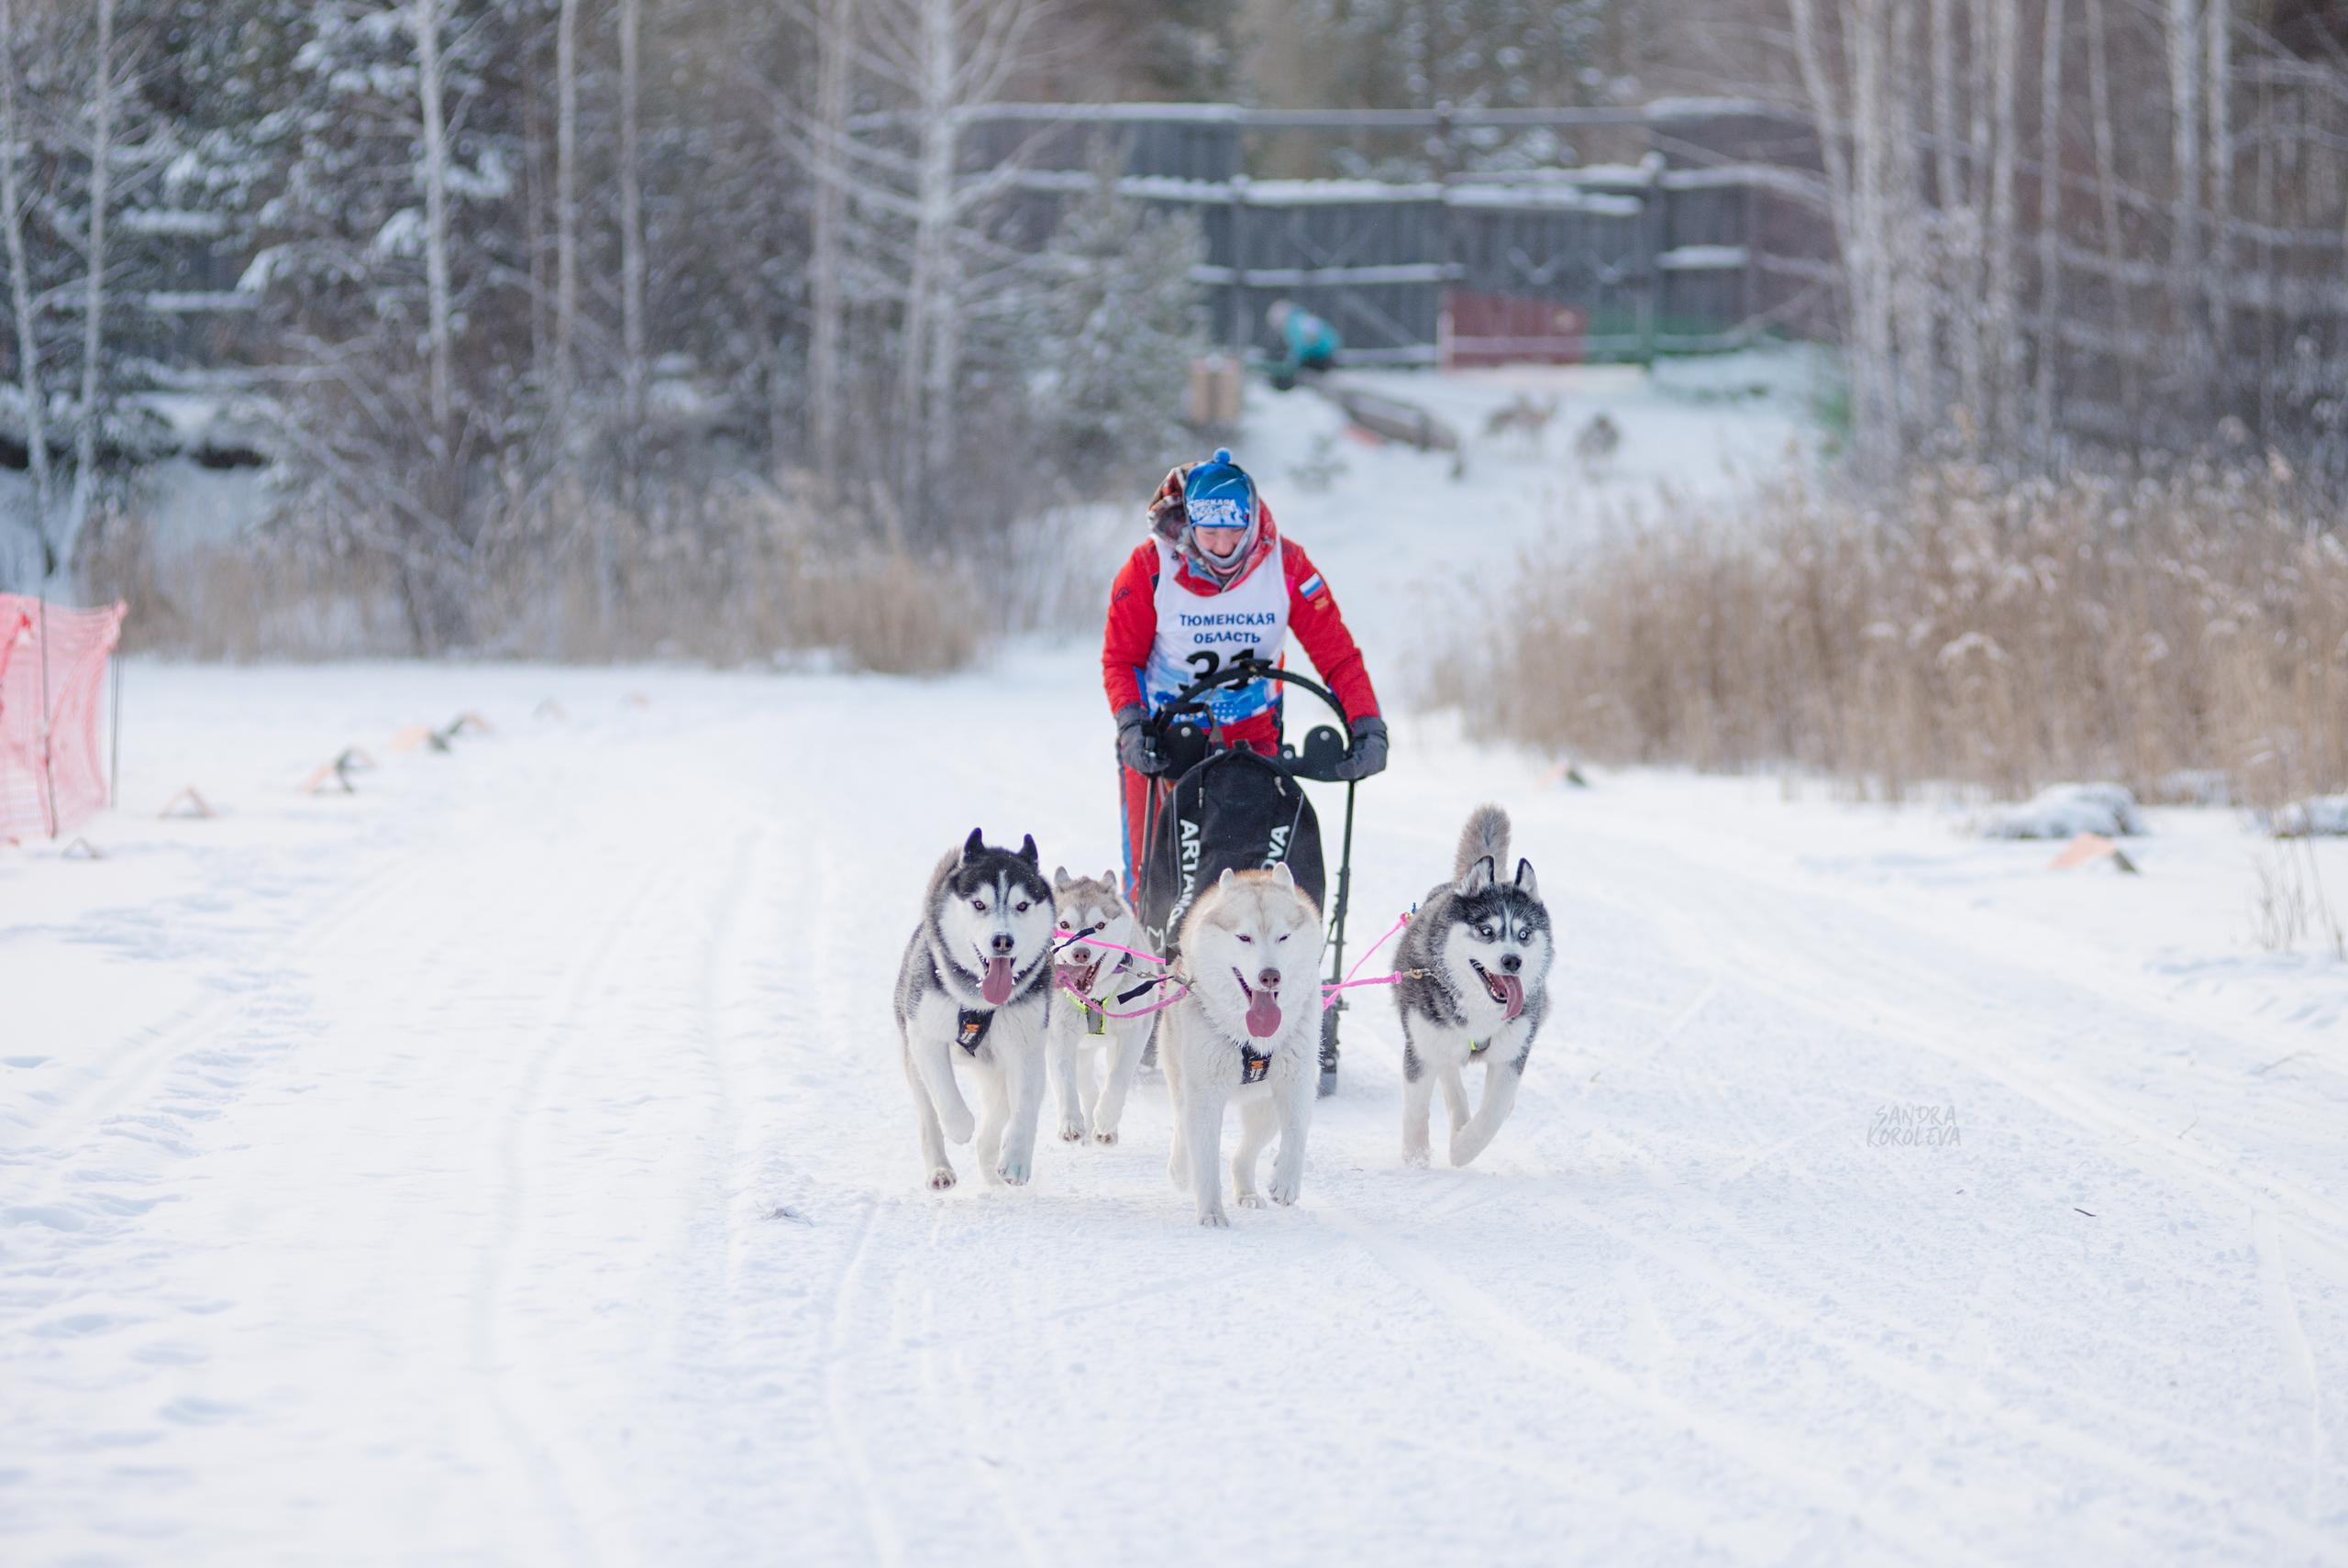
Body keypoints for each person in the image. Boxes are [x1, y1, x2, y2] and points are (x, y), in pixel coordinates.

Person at [1101, 448, 1387, 905]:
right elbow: (1121, 660)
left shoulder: (1287, 566)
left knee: (1251, 882)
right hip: (1165, 738)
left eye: (1234, 532)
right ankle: (1152, 968)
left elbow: (1338, 656)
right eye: (1209, 533)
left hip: (1252, 737)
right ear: (1188, 525)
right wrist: (1132, 726)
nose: (1221, 546)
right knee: (1153, 882)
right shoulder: (1149, 567)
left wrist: (1367, 724)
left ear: (1251, 522)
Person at [1267, 299, 1340, 390]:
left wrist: (1290, 365)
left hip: (1321, 357)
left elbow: (1299, 346)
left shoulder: (1292, 323)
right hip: (1329, 354)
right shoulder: (1301, 317)